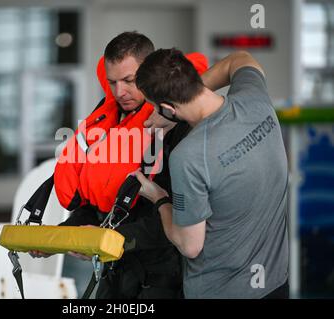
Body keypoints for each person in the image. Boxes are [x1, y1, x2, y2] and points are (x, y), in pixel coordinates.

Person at [30, 32, 207, 299]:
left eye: (129, 81)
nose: (119, 92)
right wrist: (61, 237)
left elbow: (178, 223)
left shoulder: (176, 126)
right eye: (112, 82)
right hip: (116, 271)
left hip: (163, 277)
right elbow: (96, 206)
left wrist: (105, 237)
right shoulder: (108, 121)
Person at [134, 49, 289, 298]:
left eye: (155, 108)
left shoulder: (189, 156)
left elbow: (190, 245)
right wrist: (181, 97)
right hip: (275, 283)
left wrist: (159, 198)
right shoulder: (255, 98)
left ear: (166, 108)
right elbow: (240, 59)